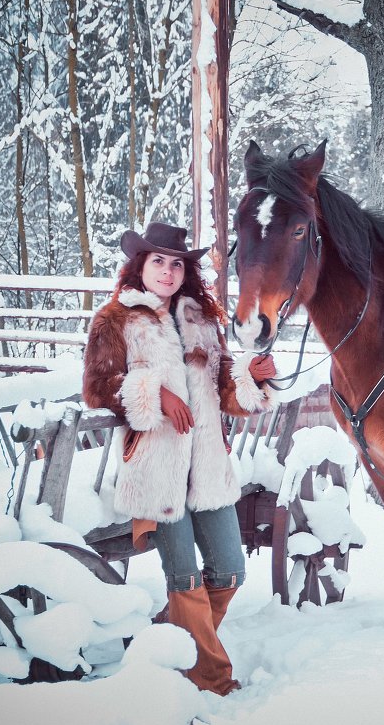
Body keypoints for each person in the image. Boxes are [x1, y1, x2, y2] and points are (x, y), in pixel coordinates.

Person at [82, 221, 276, 695]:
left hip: (207, 467)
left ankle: (166, 640)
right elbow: (98, 390)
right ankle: (211, 680)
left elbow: (225, 390)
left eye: (176, 263)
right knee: (184, 576)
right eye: (158, 262)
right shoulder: (116, 320)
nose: (167, 272)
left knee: (230, 569)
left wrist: (251, 376)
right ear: (140, 267)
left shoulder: (202, 321)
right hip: (158, 468)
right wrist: (155, 393)